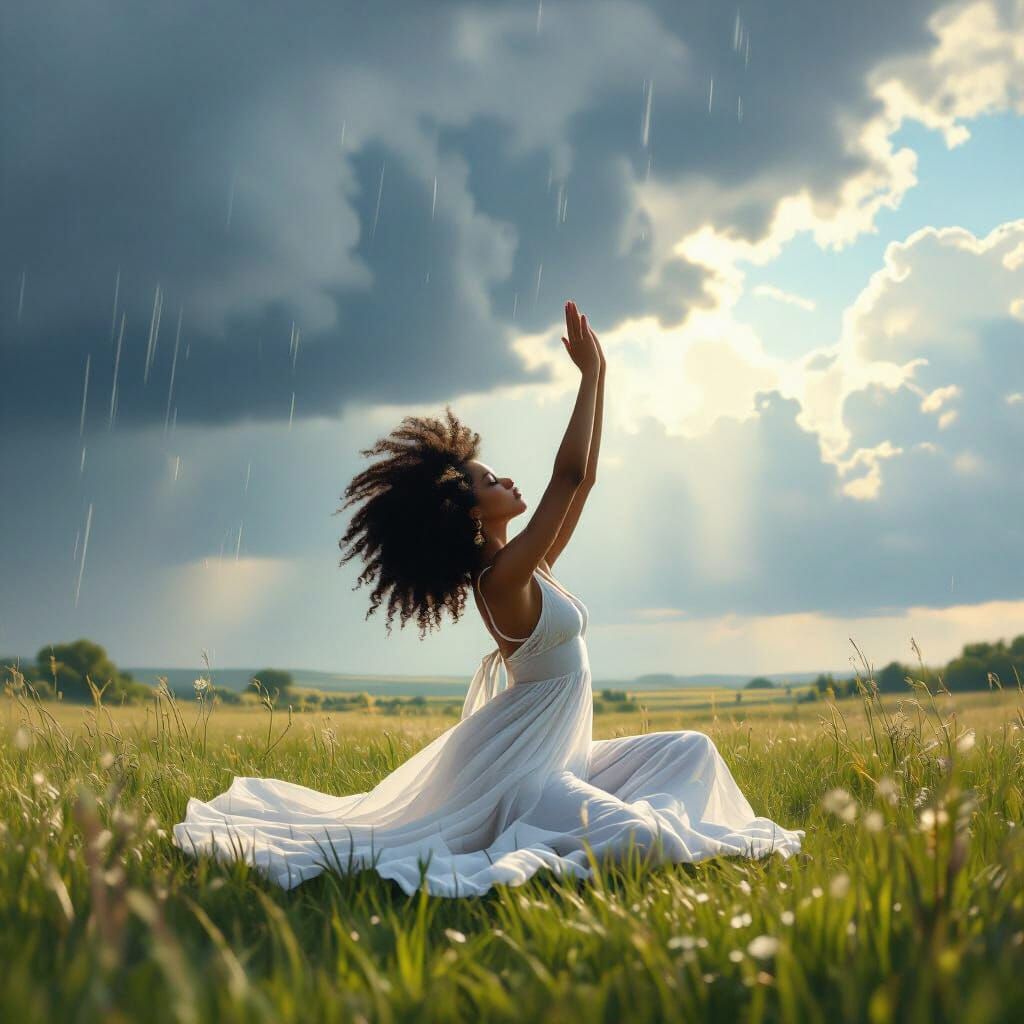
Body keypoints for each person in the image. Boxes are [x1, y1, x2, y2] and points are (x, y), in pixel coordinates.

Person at [172, 301, 805, 896]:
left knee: (690, 748)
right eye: (487, 480)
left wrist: (602, 377)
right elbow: (570, 474)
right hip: (533, 777)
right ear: (468, 510)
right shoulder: (501, 580)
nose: (504, 477)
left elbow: (584, 482)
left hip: (569, 753)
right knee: (636, 836)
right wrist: (586, 378)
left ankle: (650, 829)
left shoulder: (530, 566)